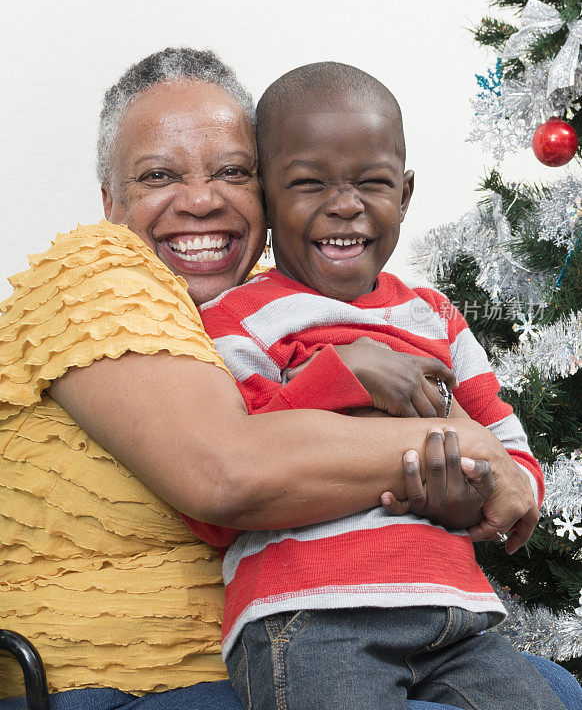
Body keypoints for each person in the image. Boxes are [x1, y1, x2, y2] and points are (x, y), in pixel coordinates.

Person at [0, 49, 578, 710]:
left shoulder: (300, 300)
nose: (200, 200)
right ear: (110, 200)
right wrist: (464, 447)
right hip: (133, 677)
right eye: (159, 175)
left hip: (411, 618)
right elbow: (227, 475)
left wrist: (463, 486)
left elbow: (493, 442)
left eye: (230, 172)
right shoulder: (97, 272)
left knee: (554, 691)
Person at [188, 62, 574, 710]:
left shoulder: (436, 318)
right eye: (309, 184)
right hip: (309, 615)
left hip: (456, 618)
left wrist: (472, 491)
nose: (345, 204)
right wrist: (339, 376)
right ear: (265, 197)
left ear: (406, 192)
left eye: (372, 183)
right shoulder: (235, 318)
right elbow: (229, 490)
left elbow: (519, 475)